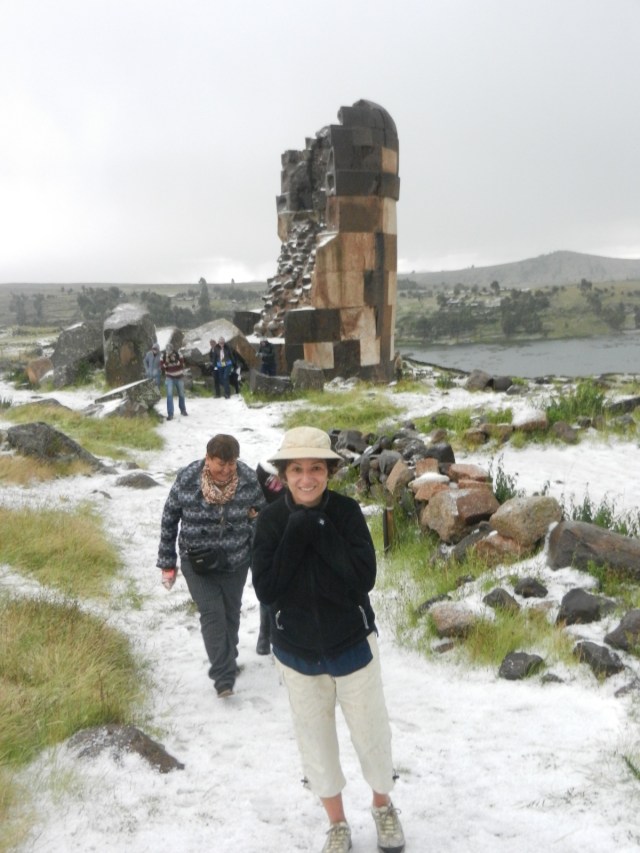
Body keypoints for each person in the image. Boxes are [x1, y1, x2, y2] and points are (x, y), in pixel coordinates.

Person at [251, 427, 405, 853]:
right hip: (297, 654)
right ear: (284, 474)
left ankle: (383, 806)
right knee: (315, 742)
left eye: (316, 468)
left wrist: (318, 525)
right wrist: (296, 530)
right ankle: (336, 823)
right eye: (297, 469)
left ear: (329, 471)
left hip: (352, 645)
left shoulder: (346, 512)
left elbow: (362, 579)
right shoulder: (270, 522)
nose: (307, 478)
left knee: (372, 736)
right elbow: (267, 589)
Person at [157, 434, 266, 697]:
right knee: (212, 614)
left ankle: (227, 657)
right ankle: (223, 677)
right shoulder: (187, 479)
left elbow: (263, 517)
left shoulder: (248, 479)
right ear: (208, 458)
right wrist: (168, 562)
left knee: (230, 613)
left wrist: (254, 530)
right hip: (197, 561)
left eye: (231, 464)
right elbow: (169, 518)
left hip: (235, 559)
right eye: (220, 464)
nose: (226, 470)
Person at [254, 459, 284, 655]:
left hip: (285, 532)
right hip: (261, 536)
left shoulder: (294, 471)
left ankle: (272, 634)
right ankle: (266, 634)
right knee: (267, 586)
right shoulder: (262, 472)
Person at [160, 344, 188, 420]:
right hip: (169, 377)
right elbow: (162, 368)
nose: (169, 352)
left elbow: (182, 365)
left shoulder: (178, 354)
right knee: (169, 395)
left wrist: (175, 360)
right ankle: (170, 414)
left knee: (181, 394)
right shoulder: (163, 355)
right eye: (167, 350)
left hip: (179, 376)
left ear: (172, 350)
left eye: (170, 351)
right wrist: (166, 362)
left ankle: (183, 410)